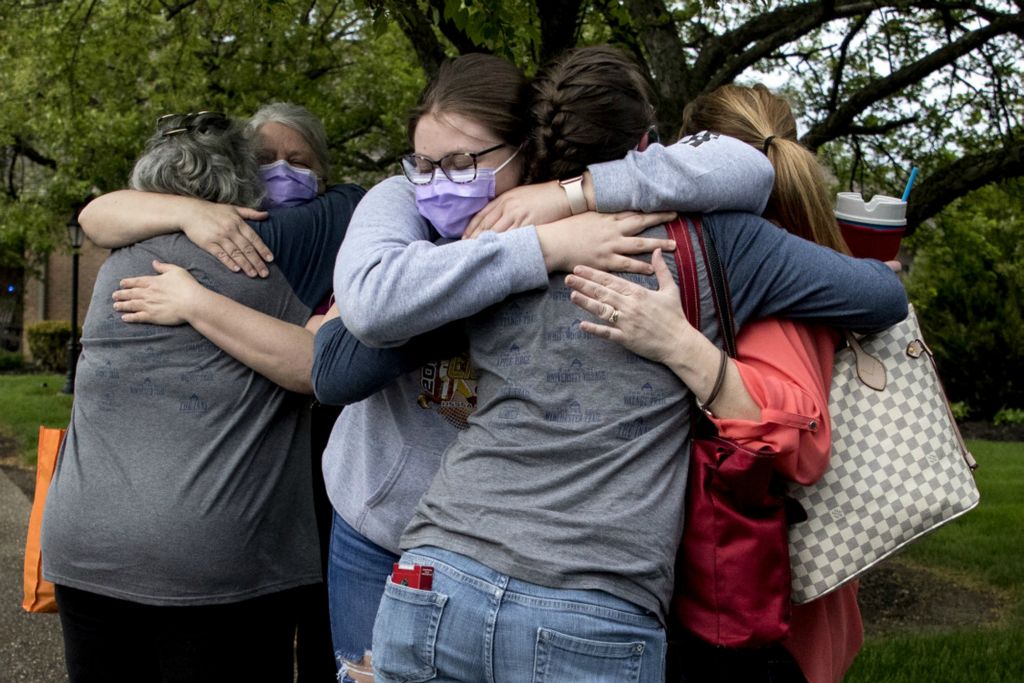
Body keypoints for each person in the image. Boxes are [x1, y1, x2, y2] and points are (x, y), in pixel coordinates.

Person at [333, 46, 906, 682]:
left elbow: (342, 361)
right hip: (594, 606)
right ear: (649, 146)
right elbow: (881, 298)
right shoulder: (718, 242)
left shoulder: (482, 243)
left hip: (438, 574)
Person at [39, 111, 357, 682]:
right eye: (266, 164)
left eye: (299, 161)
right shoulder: (266, 255)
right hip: (211, 562)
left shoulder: (116, 267)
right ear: (244, 185)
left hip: (83, 546)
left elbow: (96, 215)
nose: (282, 176)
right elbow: (317, 366)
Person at [567, 83, 867, 683]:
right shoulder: (779, 259)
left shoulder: (768, 273)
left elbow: (798, 436)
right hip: (750, 597)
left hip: (762, 608)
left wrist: (677, 342)